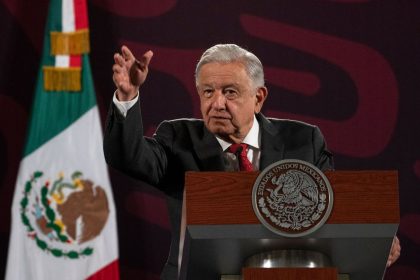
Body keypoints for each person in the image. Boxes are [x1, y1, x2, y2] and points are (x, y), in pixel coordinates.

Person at [103, 44, 399, 279]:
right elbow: (128, 158)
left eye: (230, 92)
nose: (216, 103)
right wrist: (127, 97)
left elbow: (331, 209)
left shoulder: (303, 141)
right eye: (208, 92)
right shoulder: (177, 138)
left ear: (258, 98)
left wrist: (376, 236)